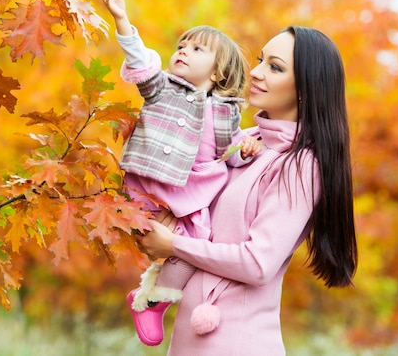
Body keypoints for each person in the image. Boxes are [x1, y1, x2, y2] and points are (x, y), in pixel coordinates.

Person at [135, 26, 358, 355]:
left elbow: (257, 264)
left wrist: (175, 245)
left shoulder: (299, 165)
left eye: (275, 67)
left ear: (306, 91)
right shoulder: (244, 142)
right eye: (259, 60)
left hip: (236, 342)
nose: (255, 72)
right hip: (190, 340)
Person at [98, 0, 263, 346]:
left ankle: (152, 302)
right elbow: (140, 61)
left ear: (218, 73)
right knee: (152, 237)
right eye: (181, 46)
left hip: (189, 198)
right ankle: (150, 296)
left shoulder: (226, 111)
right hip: (148, 190)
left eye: (197, 48)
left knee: (194, 248)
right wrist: (122, 19)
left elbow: (229, 152)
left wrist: (246, 148)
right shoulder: (162, 88)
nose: (183, 51)